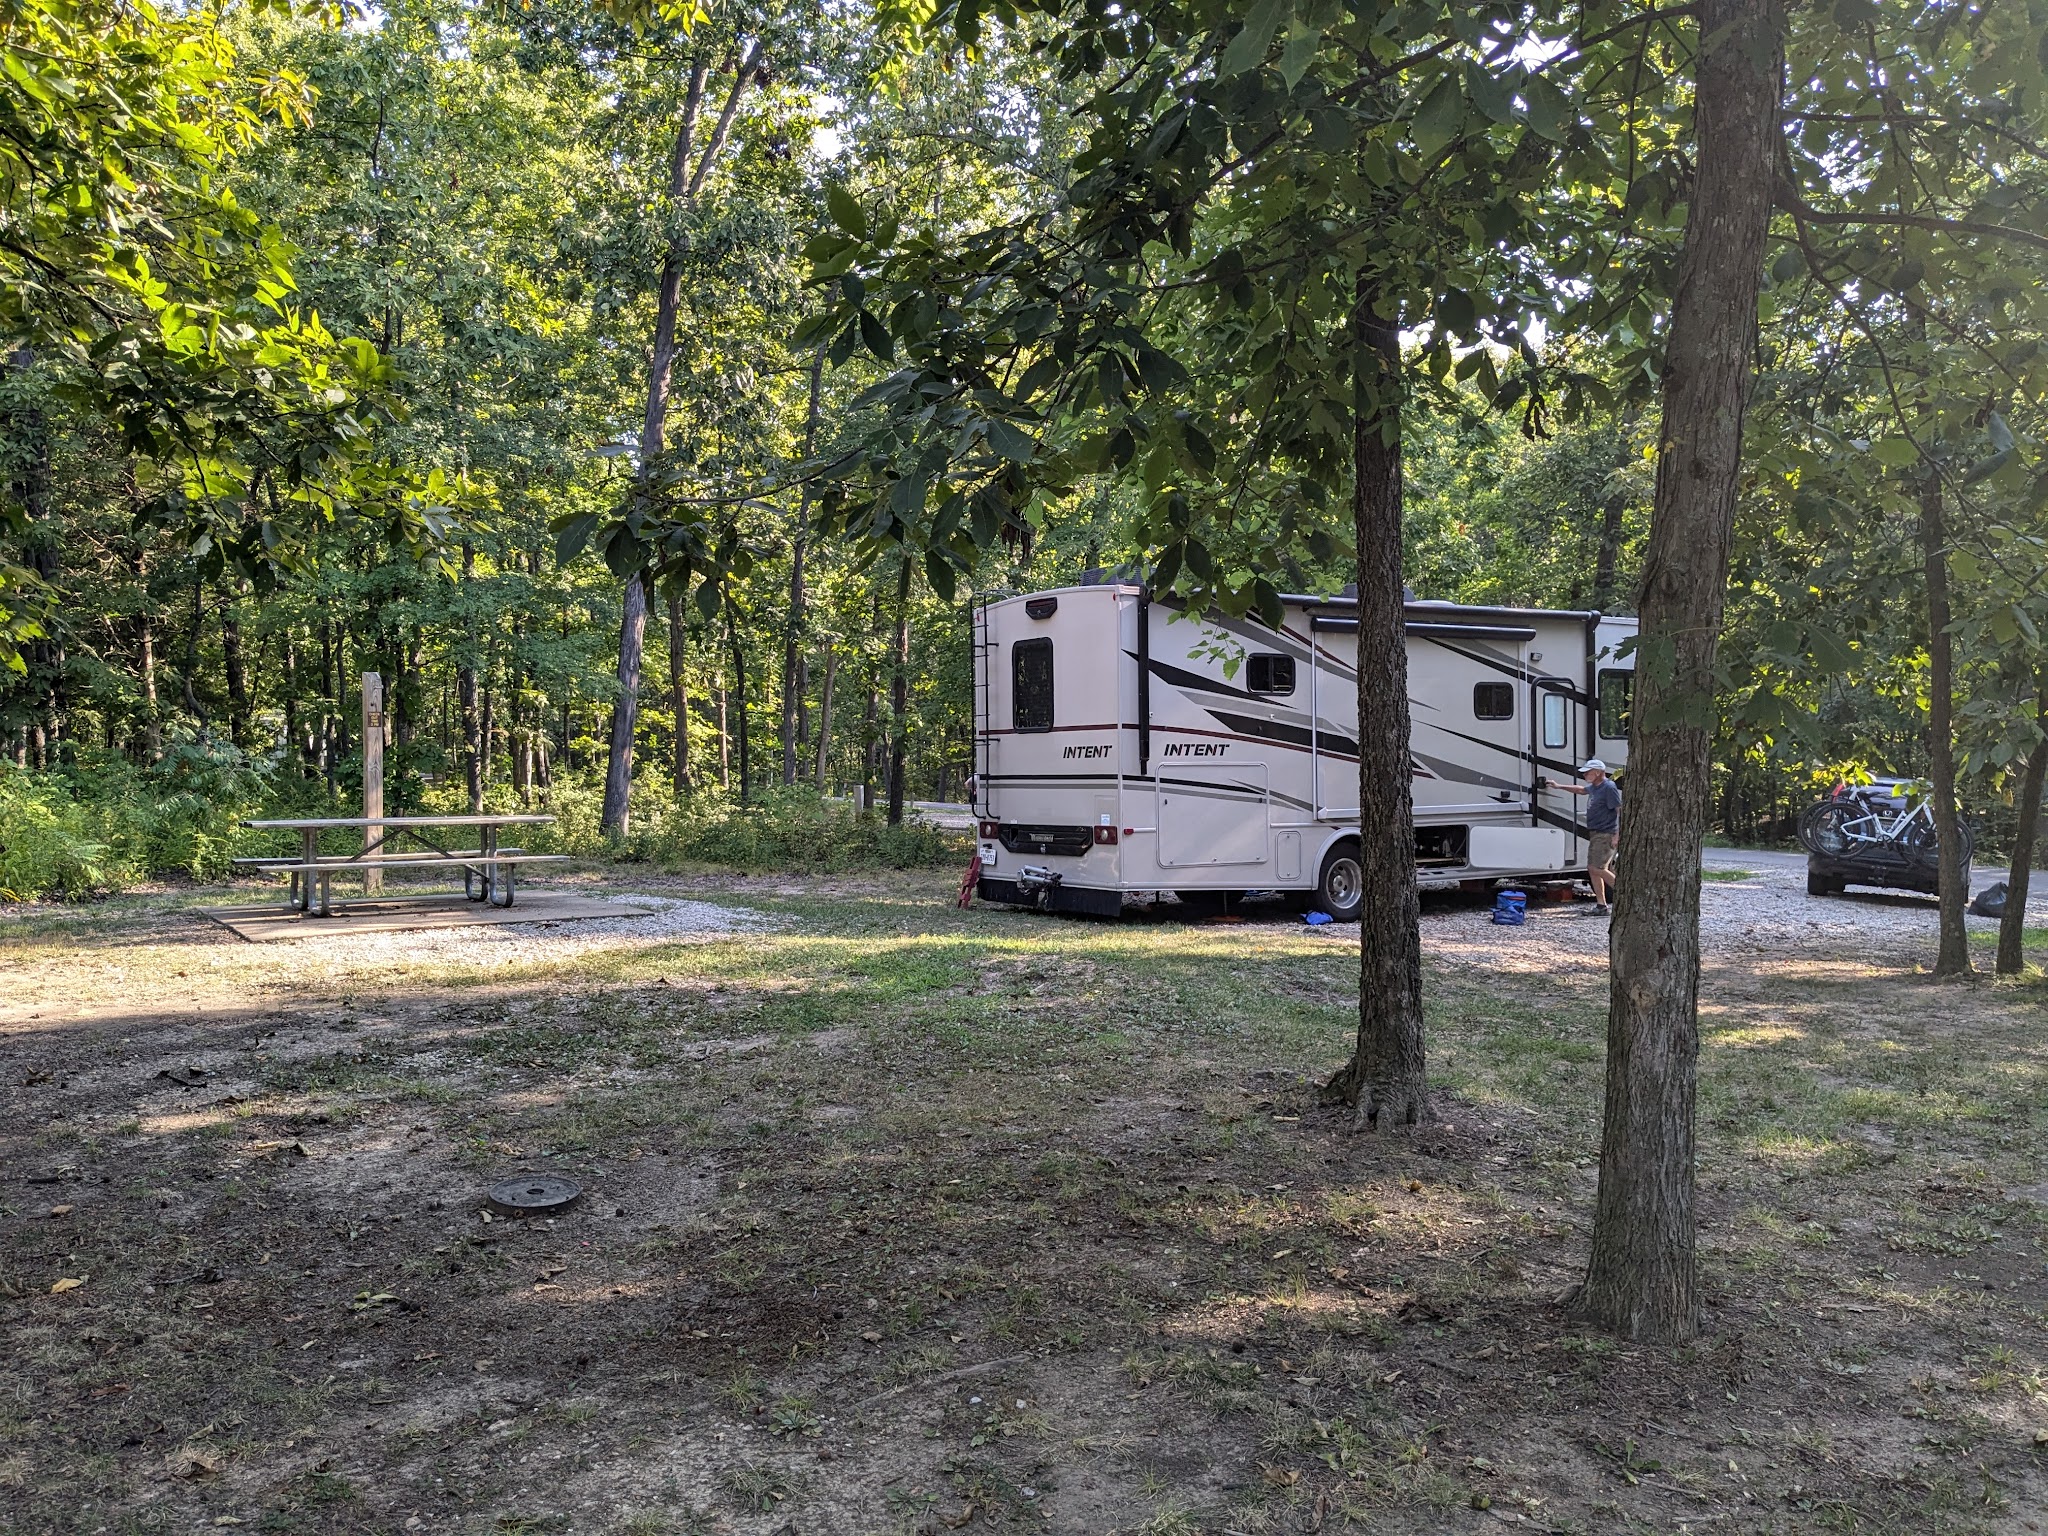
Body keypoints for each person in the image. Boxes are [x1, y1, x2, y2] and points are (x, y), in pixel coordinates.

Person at [1545, 758, 1621, 915]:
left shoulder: (1609, 787)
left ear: (1598, 772)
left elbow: (1620, 811)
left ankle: (1627, 893)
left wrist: (1617, 835)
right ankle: (1601, 906)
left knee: (1597, 868)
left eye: (1588, 772)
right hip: (1596, 833)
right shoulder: (1595, 787)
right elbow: (1580, 790)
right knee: (1593, 869)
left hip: (1606, 833)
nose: (1585, 774)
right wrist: (1559, 786)